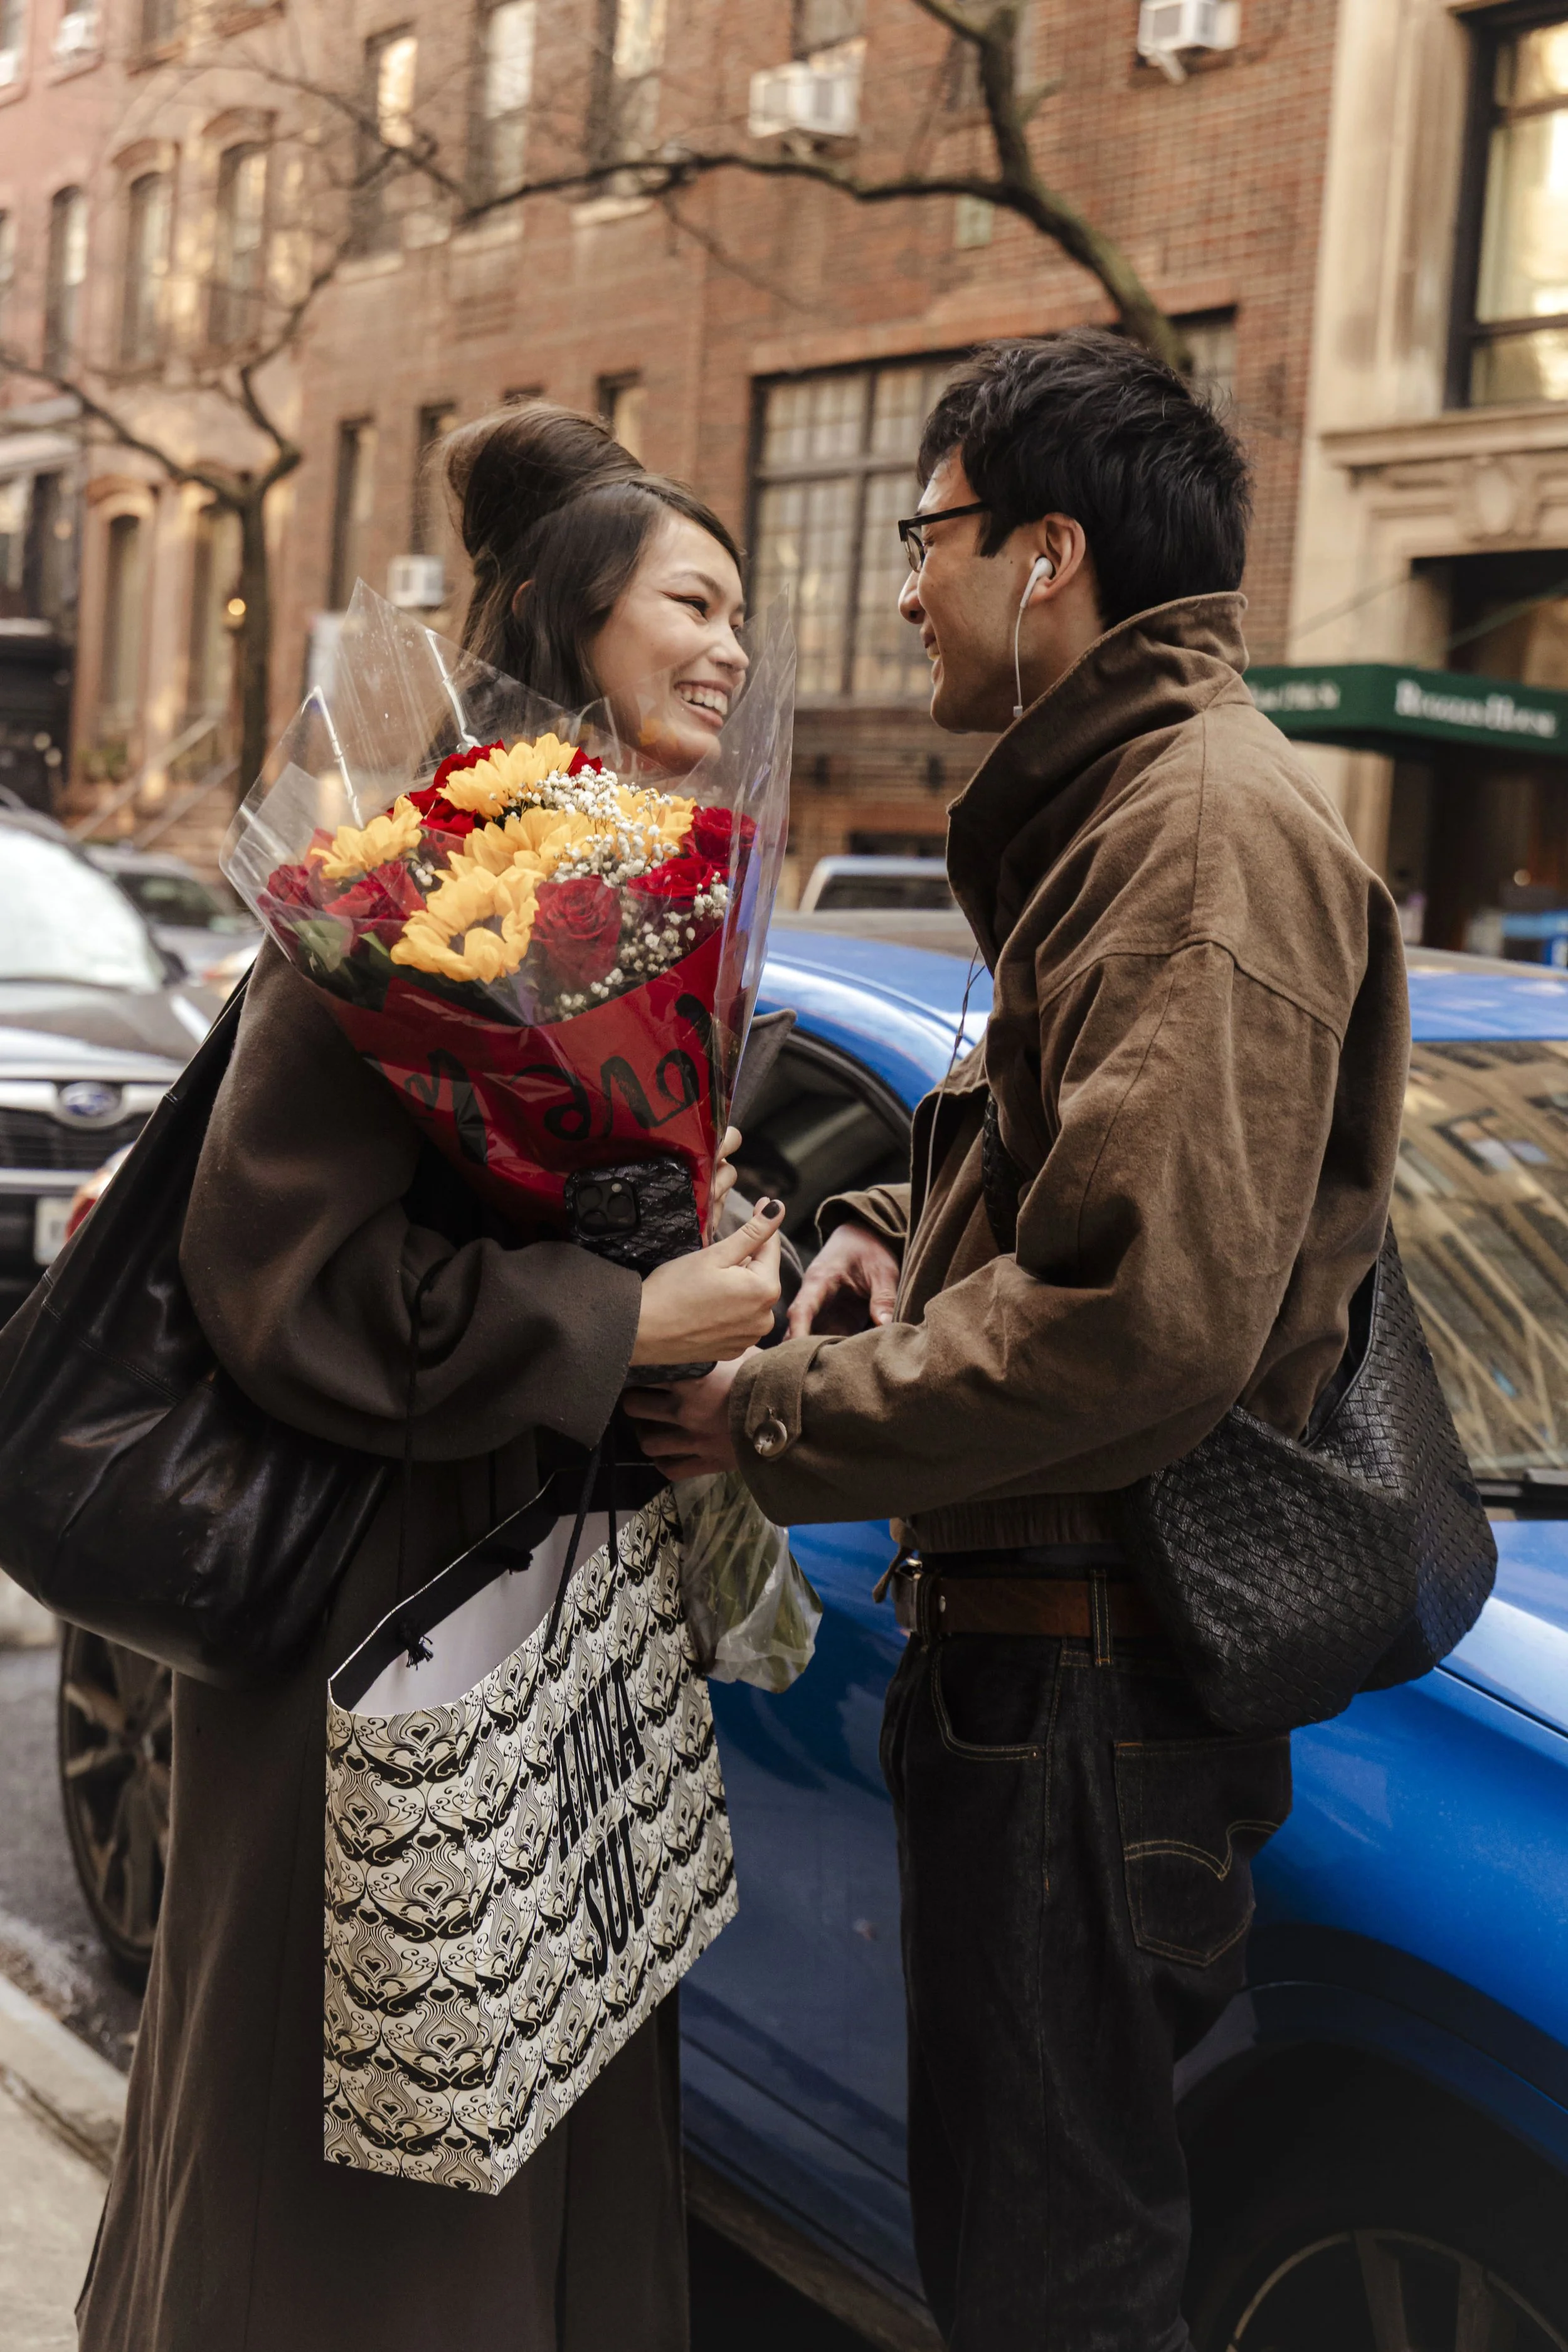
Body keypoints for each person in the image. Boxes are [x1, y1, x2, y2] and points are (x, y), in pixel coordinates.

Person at [622, 331, 1411, 2350]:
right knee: (1015, 2254)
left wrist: (773, 1417)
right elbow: (1083, 1185)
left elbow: (1145, 1321)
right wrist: (893, 1225)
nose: (904, 586)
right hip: (1046, 1680)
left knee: (1051, 2287)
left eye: (929, 534)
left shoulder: (1195, 838)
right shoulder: (1119, 813)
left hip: (1085, 1694)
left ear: (1047, 553)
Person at [76, 403, 784, 2352]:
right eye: (693, 603)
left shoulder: (650, 892)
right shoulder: (416, 882)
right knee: (361, 2170)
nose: (734, 648)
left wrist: (723, 1252)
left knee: (532, 2081)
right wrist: (608, 1324)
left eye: (745, 613)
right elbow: (274, 1269)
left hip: (563, 1606)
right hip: (373, 1610)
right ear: (573, 610)